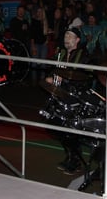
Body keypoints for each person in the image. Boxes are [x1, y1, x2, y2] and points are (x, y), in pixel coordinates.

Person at [42, 27, 90, 175]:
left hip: (75, 95)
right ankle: (69, 156)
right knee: (58, 127)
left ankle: (75, 161)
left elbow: (82, 75)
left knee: (71, 130)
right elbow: (54, 68)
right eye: (65, 35)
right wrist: (51, 77)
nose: (66, 38)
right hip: (61, 94)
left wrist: (66, 78)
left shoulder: (83, 54)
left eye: (70, 35)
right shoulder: (61, 53)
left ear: (77, 40)